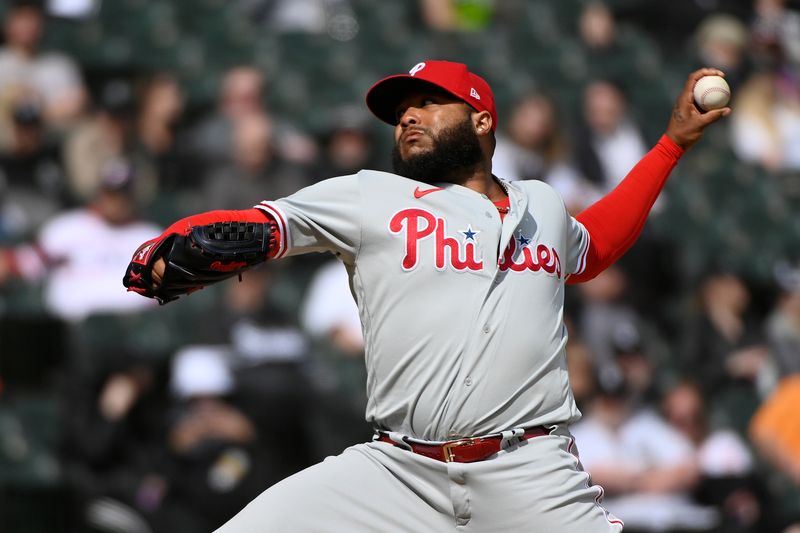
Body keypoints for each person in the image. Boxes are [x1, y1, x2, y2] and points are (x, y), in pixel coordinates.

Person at [124, 60, 729, 531]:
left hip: (531, 474)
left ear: (483, 121)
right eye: (401, 110)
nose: (408, 116)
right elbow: (263, 226)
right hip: (396, 470)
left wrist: (670, 145)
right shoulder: (371, 197)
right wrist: (181, 240)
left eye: (428, 103)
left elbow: (593, 247)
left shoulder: (541, 203)